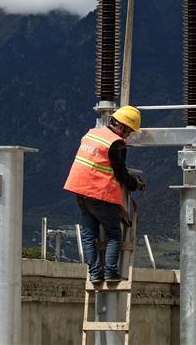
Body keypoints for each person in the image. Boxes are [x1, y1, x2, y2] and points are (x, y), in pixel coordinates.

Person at [63, 105, 146, 284]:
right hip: (99, 192)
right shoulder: (116, 144)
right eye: (129, 132)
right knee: (114, 234)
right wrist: (134, 184)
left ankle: (94, 274)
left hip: (80, 190)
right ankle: (110, 273)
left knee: (88, 235)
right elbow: (120, 173)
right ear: (122, 127)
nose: (128, 136)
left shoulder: (92, 133)